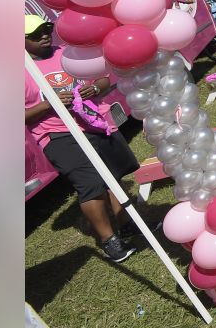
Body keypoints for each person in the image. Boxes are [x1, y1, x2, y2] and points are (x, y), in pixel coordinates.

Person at [25, 15, 145, 263]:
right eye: (36, 35)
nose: (45, 35)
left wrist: (97, 88)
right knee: (90, 183)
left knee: (114, 175)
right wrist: (49, 105)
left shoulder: (68, 53)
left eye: (47, 29)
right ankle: (109, 240)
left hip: (94, 123)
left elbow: (101, 77)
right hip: (57, 134)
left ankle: (128, 224)